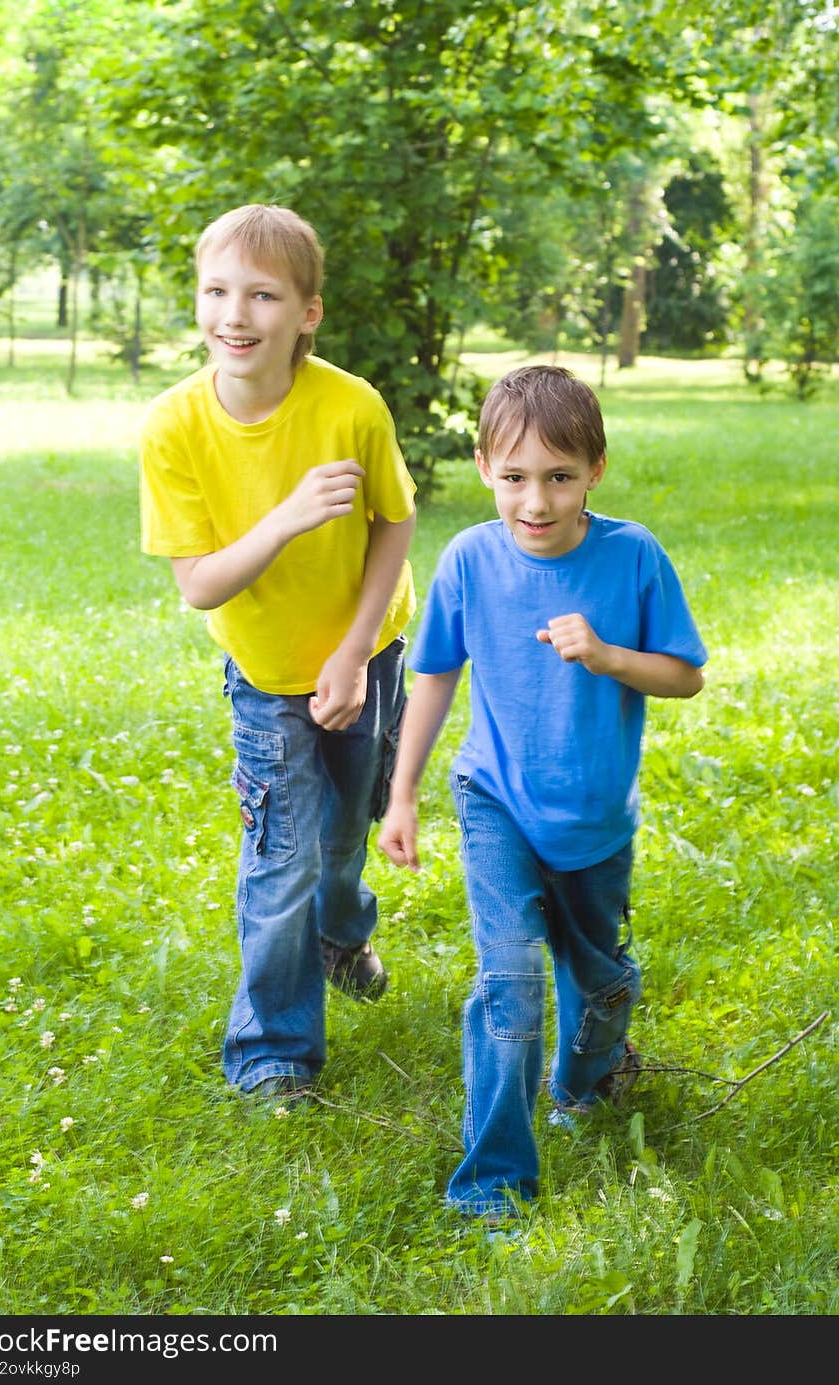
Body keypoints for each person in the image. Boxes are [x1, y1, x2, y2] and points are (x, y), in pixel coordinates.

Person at [378, 364, 706, 1223]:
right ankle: (493, 1183)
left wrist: (607, 656)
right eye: (515, 476)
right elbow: (436, 676)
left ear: (595, 469)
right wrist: (402, 793)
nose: (536, 500)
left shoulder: (632, 556)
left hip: (597, 816)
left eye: (559, 477)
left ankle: (586, 1079)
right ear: (485, 466)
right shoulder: (468, 558)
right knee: (512, 979)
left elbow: (684, 676)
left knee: (599, 983)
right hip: (496, 801)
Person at [139, 203, 417, 1106]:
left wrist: (350, 651)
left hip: (364, 655)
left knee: (343, 840)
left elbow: (394, 519)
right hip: (264, 676)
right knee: (283, 856)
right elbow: (200, 585)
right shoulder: (175, 425)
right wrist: (288, 516)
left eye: (261, 295)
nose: (234, 314)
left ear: (307, 313)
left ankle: (342, 934)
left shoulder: (350, 406)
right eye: (216, 291)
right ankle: (274, 1052)